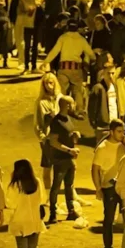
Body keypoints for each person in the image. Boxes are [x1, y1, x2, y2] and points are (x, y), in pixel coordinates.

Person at [8, 159, 47, 248]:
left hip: (20, 221)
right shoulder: (37, 182)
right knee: (33, 246)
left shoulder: (15, 186)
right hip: (35, 220)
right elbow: (43, 200)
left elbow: (10, 204)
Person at [92, 118, 125, 248]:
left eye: (123, 131)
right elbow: (95, 169)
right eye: (119, 132)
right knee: (108, 219)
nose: (122, 134)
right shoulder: (102, 148)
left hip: (123, 185)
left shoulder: (124, 145)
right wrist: (98, 188)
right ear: (111, 132)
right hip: (110, 187)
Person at [44, 18, 95, 112]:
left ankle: (60, 110)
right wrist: (94, 59)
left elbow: (55, 51)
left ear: (68, 27)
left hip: (64, 68)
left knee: (61, 90)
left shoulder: (63, 37)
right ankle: (79, 110)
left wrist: (46, 61)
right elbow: (91, 54)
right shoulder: (81, 39)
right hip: (76, 69)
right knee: (77, 91)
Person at [46, 95, 80, 224]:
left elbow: (67, 137)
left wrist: (75, 137)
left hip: (69, 158)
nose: (74, 105)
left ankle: (71, 211)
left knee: (69, 185)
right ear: (67, 106)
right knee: (56, 186)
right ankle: (53, 213)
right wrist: (69, 150)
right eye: (72, 103)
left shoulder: (68, 119)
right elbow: (53, 142)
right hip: (61, 159)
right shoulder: (57, 122)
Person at [35, 73, 61, 190]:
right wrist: (42, 137)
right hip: (48, 139)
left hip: (60, 137)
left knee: (63, 167)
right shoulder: (41, 102)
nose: (49, 86)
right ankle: (47, 193)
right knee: (47, 166)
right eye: (46, 83)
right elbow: (37, 123)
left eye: (51, 83)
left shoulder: (60, 99)